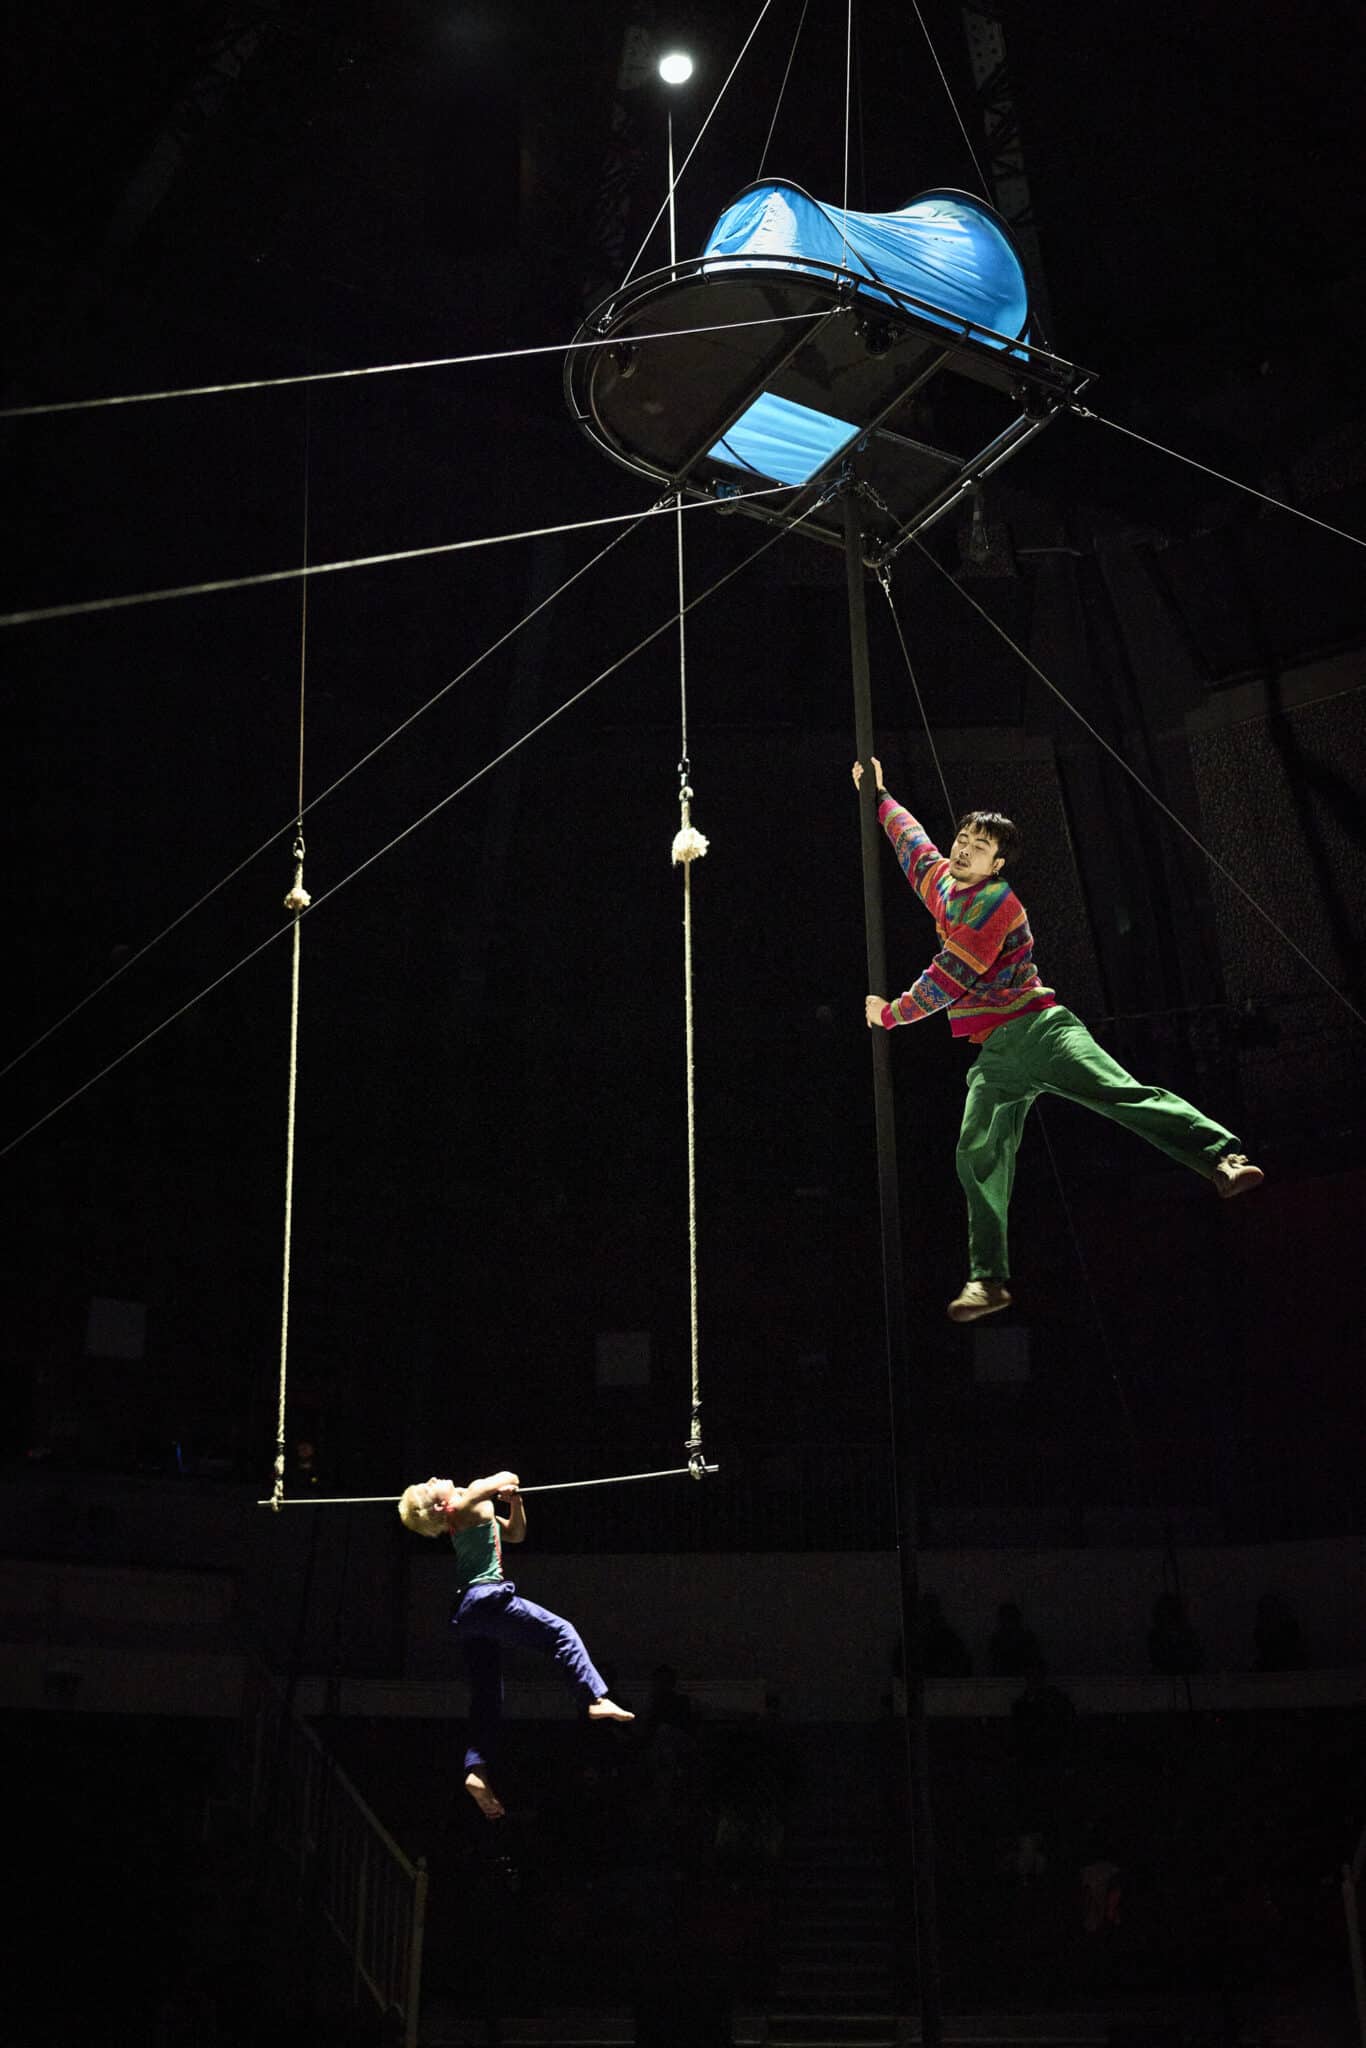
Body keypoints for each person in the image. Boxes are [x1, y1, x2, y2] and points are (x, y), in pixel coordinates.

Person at [852, 757, 1263, 1322]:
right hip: (996, 1054)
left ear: (997, 863)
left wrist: (890, 1014)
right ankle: (987, 1280)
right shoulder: (943, 882)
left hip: (1042, 1031)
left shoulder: (997, 903)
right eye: (963, 838)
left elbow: (950, 976)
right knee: (976, 1150)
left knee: (1116, 1091)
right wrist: (878, 795)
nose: (965, 847)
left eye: (980, 845)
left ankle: (1221, 1155)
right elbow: (911, 844)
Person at [398, 1469, 633, 1819]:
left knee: (488, 1695)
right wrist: (502, 1486)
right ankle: (594, 1698)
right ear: (442, 1506)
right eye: (430, 1486)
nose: (433, 1478)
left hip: (468, 1614)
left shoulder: (466, 1509)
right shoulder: (469, 1496)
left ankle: (476, 1770)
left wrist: (515, 1502)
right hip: (485, 1599)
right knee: (561, 1632)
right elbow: (510, 1473)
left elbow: (516, 1534)